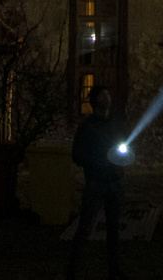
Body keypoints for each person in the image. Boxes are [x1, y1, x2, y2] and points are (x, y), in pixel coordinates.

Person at [67, 84, 128, 280]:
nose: (107, 97)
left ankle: (114, 270)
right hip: (95, 182)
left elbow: (122, 149)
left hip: (113, 183)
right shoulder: (87, 127)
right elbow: (77, 156)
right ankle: (72, 271)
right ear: (95, 102)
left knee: (113, 229)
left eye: (108, 94)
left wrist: (122, 161)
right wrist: (97, 162)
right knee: (85, 226)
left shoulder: (114, 125)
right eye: (103, 95)